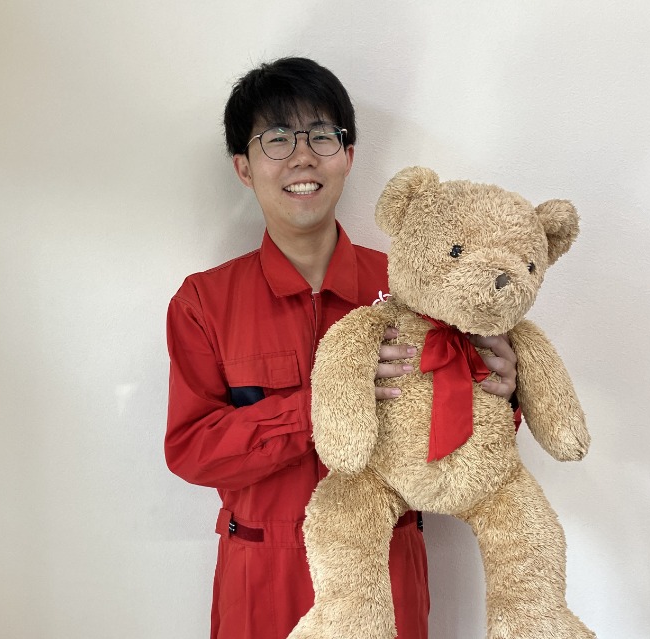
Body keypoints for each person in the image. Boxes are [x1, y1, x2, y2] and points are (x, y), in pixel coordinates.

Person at [165, 57, 518, 639]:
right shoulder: (203, 302)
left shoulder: (414, 288)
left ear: (348, 155)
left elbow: (459, 446)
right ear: (243, 167)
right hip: (261, 576)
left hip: (387, 567)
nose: (302, 156)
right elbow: (192, 450)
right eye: (277, 138)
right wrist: (327, 406)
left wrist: (498, 397)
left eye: (322, 135)